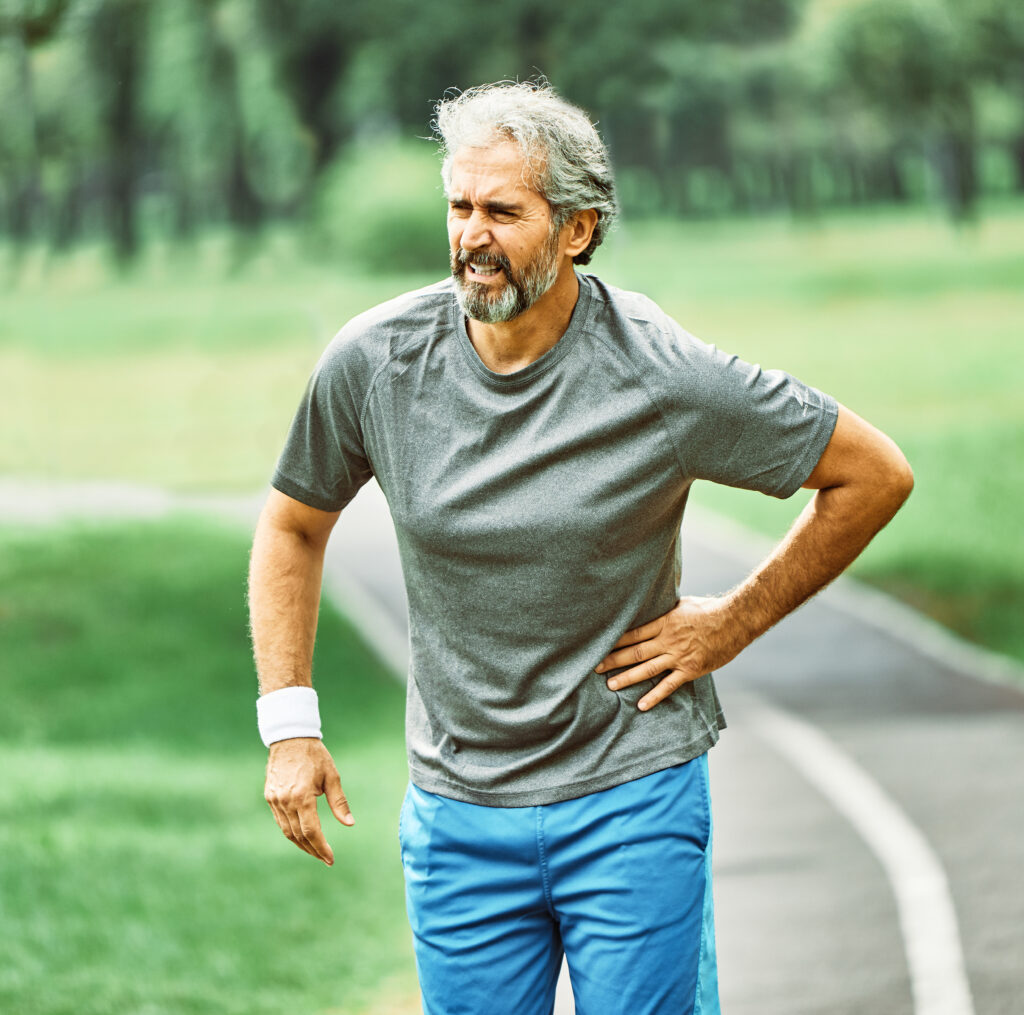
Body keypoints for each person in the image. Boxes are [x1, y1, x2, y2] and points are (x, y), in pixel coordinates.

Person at [247, 80, 913, 1015]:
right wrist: (291, 725)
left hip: (629, 795)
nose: (472, 236)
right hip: (459, 810)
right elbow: (293, 521)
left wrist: (730, 624)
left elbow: (872, 474)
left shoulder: (661, 373)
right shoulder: (377, 360)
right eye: (459, 206)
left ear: (578, 229)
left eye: (503, 211)